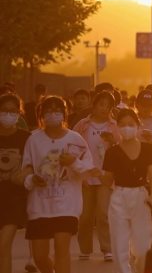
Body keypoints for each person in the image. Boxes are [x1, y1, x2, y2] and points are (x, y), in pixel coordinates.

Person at [22, 96, 95, 273]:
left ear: (64, 114)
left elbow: (88, 171)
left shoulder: (75, 138)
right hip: (40, 205)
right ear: (41, 115)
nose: (52, 114)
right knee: (40, 257)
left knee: (62, 249)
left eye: (57, 110)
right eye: (48, 111)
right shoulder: (34, 139)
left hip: (67, 206)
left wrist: (73, 162)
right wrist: (32, 179)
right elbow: (26, 167)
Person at [101, 109, 152, 273]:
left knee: (143, 248)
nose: (127, 128)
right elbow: (107, 180)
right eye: (123, 125)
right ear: (117, 128)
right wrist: (97, 172)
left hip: (141, 196)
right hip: (119, 196)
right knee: (119, 247)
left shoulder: (148, 149)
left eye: (131, 125)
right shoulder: (112, 151)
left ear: (138, 126)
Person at [72, 91, 120, 262]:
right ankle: (85, 248)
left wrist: (113, 141)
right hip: (86, 174)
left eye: (108, 106)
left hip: (105, 176)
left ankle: (107, 248)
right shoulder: (83, 125)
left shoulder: (113, 126)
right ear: (94, 104)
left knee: (102, 212)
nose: (104, 109)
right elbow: (72, 145)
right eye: (101, 104)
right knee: (85, 215)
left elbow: (121, 150)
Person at [0, 93, 31, 273]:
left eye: (13, 111)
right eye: (4, 111)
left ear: (19, 113)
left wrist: (23, 173)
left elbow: (33, 164)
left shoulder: (25, 137)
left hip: (15, 199)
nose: (8, 114)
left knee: (4, 244)